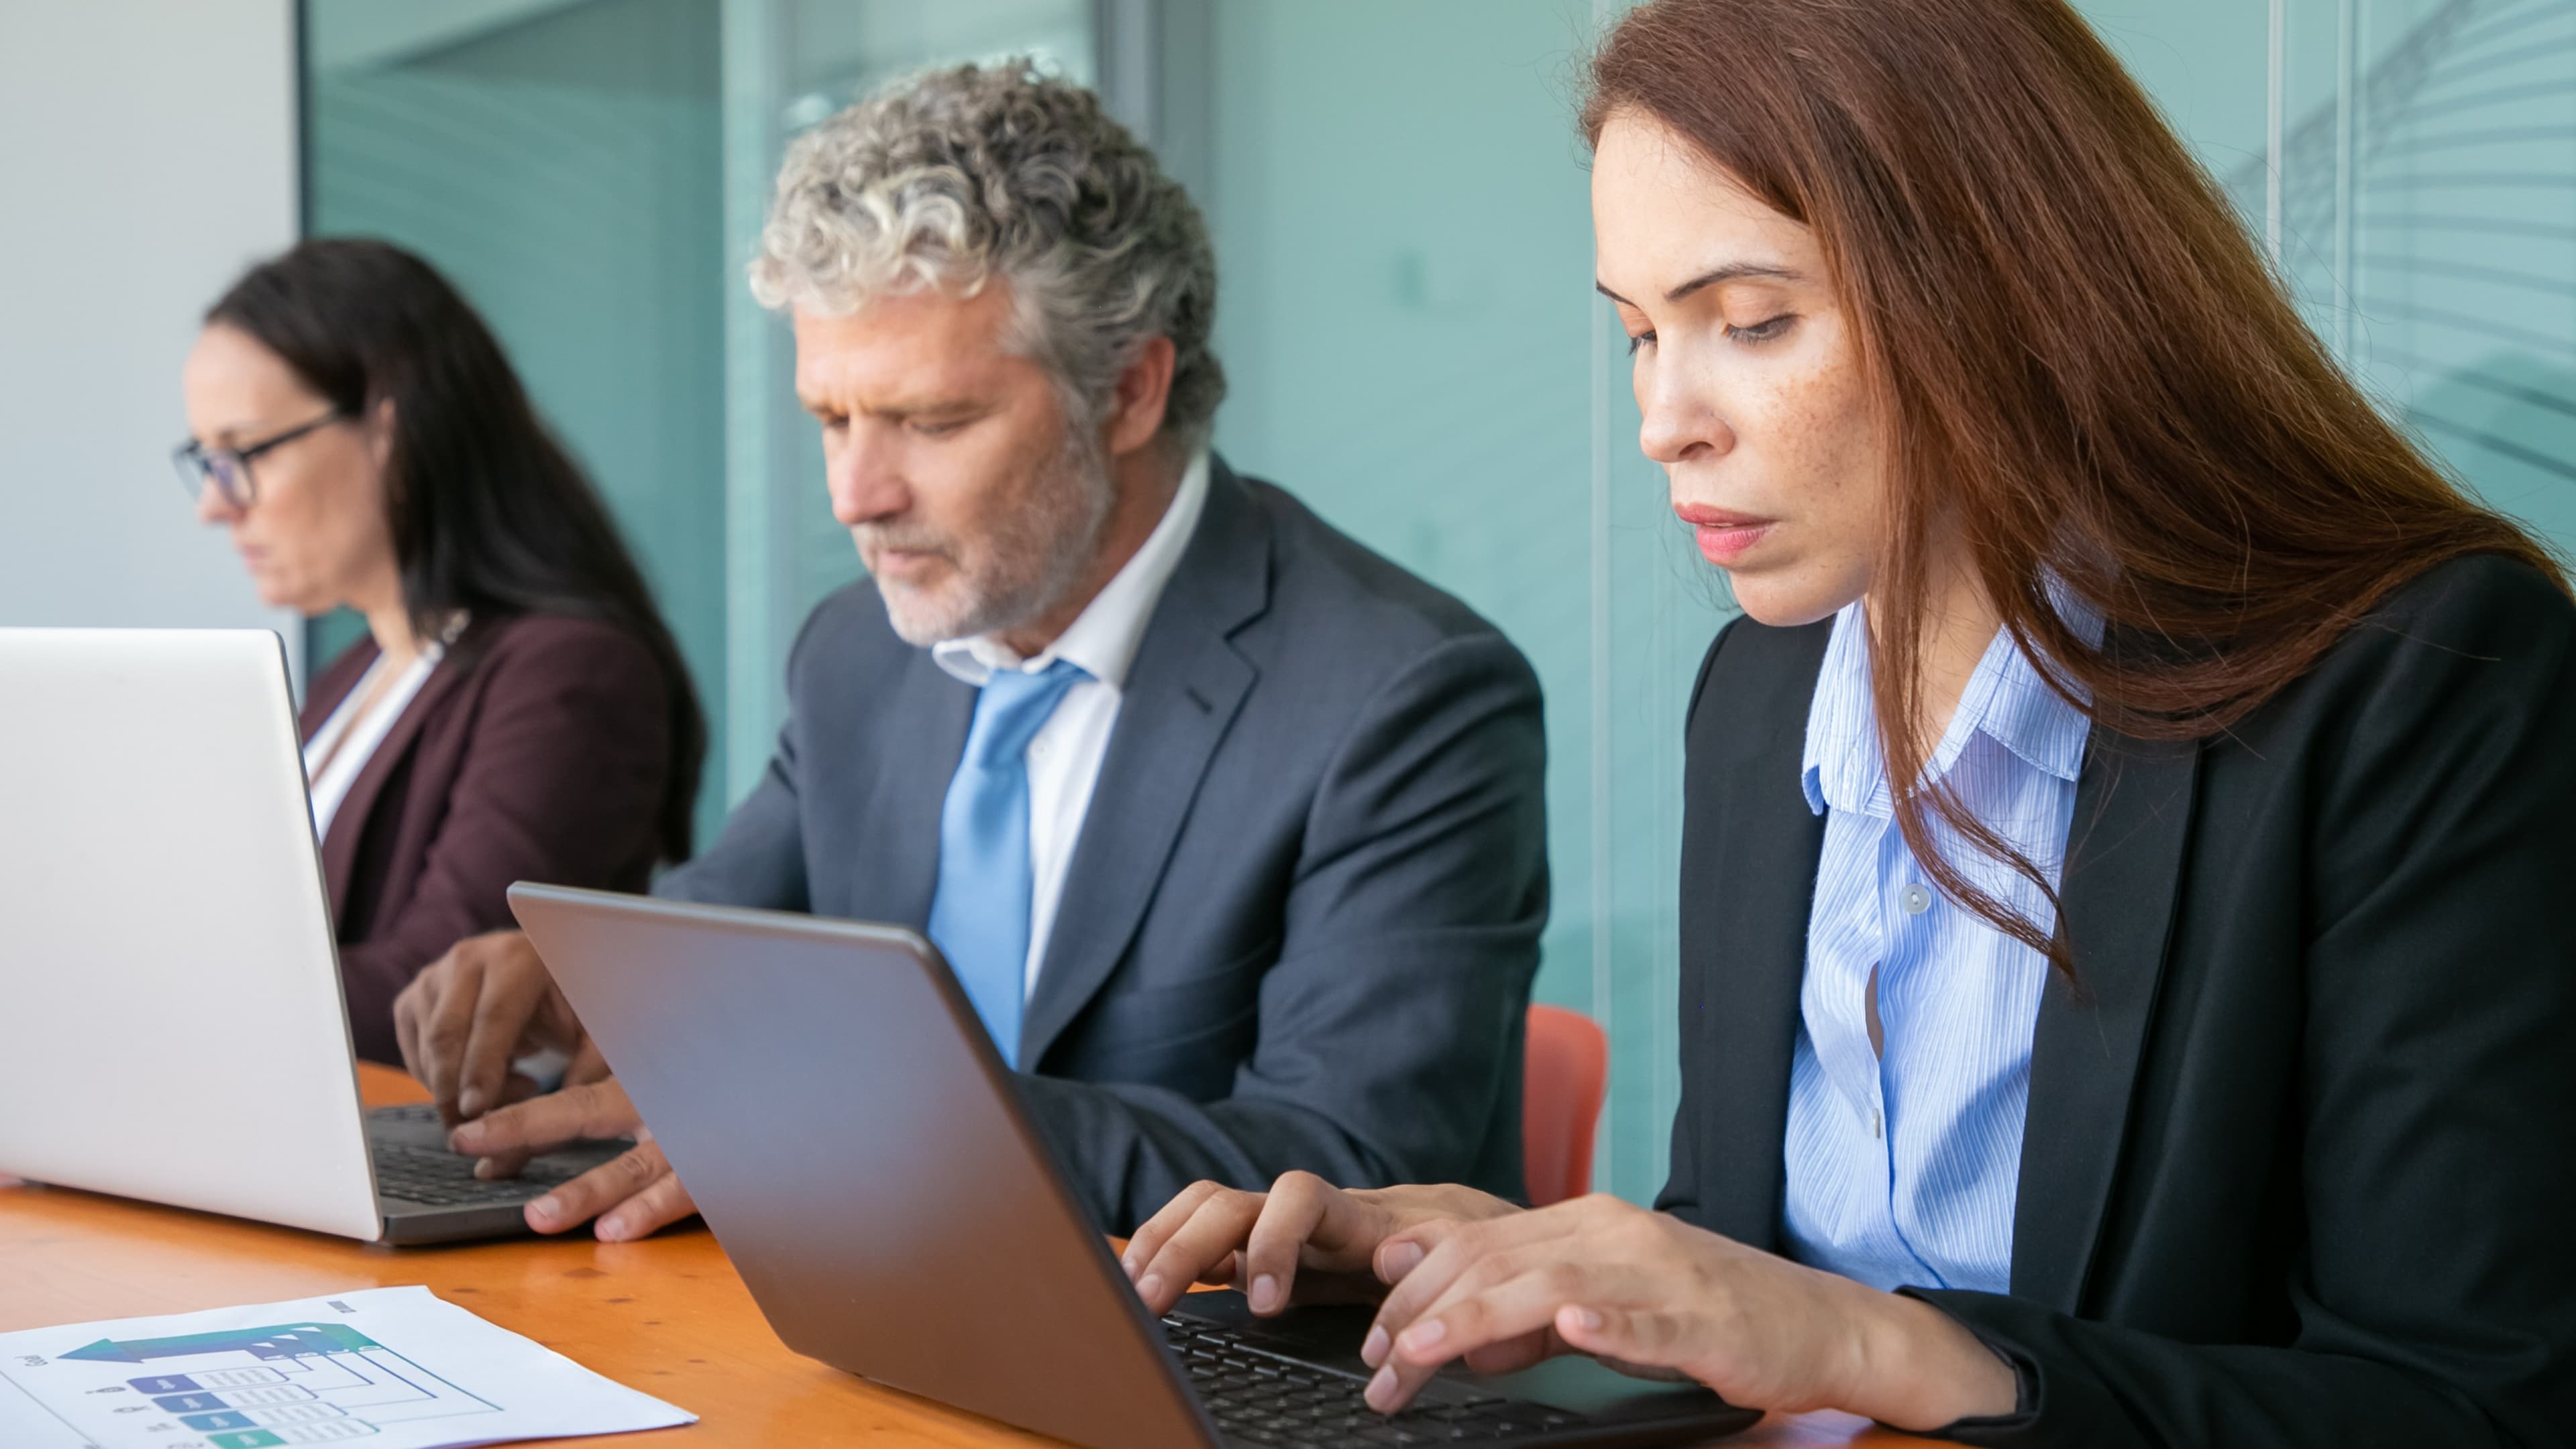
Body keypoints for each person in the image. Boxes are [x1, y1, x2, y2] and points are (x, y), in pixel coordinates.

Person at [1120, 1, 2576, 1444]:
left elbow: (2466, 1406)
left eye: (1750, 321)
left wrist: (1873, 1344)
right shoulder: (1762, 697)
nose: (1663, 419)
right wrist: (1517, 1267)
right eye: (1639, 332)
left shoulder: (2424, 681)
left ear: (2010, 285)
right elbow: (1744, 1248)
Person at [393, 63, 1550, 1242]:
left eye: (933, 423)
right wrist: (574, 986)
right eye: (831, 420)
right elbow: (713, 951)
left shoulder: (1403, 695)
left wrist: (874, 1124)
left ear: (1132, 388)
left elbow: (1353, 1163)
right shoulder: (857, 652)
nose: (856, 495)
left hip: (1230, 1370)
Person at [179, 238, 707, 1066]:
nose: (216, 505)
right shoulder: (354, 675)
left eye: (242, 455)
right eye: (206, 461)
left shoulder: (569, 675)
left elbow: (441, 994)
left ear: (389, 429)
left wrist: (149, 999)